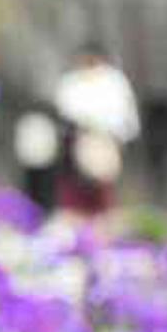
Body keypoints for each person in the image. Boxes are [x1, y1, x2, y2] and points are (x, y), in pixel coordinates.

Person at [52, 45, 139, 218]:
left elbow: (123, 112)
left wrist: (116, 134)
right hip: (78, 137)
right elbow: (65, 110)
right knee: (77, 185)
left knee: (103, 183)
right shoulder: (72, 81)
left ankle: (103, 217)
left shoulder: (113, 80)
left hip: (106, 137)